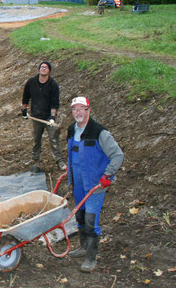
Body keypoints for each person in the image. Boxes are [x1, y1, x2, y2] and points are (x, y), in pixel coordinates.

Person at [66, 97, 123, 272]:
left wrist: (107, 175)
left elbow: (118, 156)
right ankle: (83, 247)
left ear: (88, 110)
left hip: (95, 185)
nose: (78, 112)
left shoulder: (99, 132)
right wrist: (69, 169)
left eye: (82, 109)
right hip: (78, 183)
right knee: (80, 217)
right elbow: (73, 153)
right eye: (75, 109)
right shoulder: (71, 129)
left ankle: (91, 257)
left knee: (91, 221)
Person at [21, 61, 64, 172]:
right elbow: (25, 97)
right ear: (39, 69)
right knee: (36, 139)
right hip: (36, 116)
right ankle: (35, 159)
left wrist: (52, 117)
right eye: (42, 67)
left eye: (46, 67)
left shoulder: (53, 85)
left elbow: (55, 103)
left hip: (48, 117)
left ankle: (59, 160)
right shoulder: (31, 82)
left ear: (49, 70)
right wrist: (24, 110)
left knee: (54, 139)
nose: (43, 68)